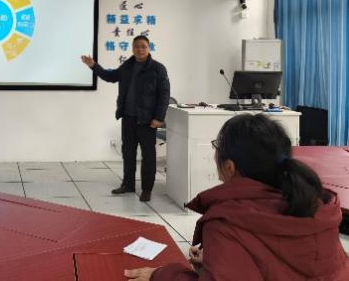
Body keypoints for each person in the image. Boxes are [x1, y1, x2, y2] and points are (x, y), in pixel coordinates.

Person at [124, 113, 348, 280]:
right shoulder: (316, 205)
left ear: (230, 167)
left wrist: (162, 275)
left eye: (217, 146)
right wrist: (220, 259)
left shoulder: (229, 220)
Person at [81, 35, 170, 202]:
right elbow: (110, 76)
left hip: (147, 120)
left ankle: (147, 189)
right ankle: (128, 185)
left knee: (148, 156)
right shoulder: (128, 66)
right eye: (137, 46)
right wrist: (94, 65)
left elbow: (164, 95)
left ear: (149, 48)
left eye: (143, 46)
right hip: (128, 117)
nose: (140, 49)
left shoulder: (158, 69)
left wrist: (159, 118)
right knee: (128, 153)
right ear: (132, 48)